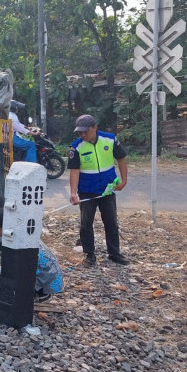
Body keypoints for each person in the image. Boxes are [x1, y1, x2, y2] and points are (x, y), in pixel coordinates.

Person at [68, 114, 129, 267]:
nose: (82, 135)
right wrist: (73, 193)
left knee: (111, 222)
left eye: (85, 131)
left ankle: (114, 253)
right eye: (79, 132)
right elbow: (74, 171)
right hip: (87, 190)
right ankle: (89, 255)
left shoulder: (110, 140)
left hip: (107, 190)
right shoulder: (76, 147)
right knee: (86, 223)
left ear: (95, 127)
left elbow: (121, 159)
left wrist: (124, 180)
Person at [0, 208, 64, 302]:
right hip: (53, 278)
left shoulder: (15, 242)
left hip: (45, 282)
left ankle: (38, 294)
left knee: (0, 280)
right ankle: (40, 292)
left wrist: (1, 270)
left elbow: (19, 266)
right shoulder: (20, 230)